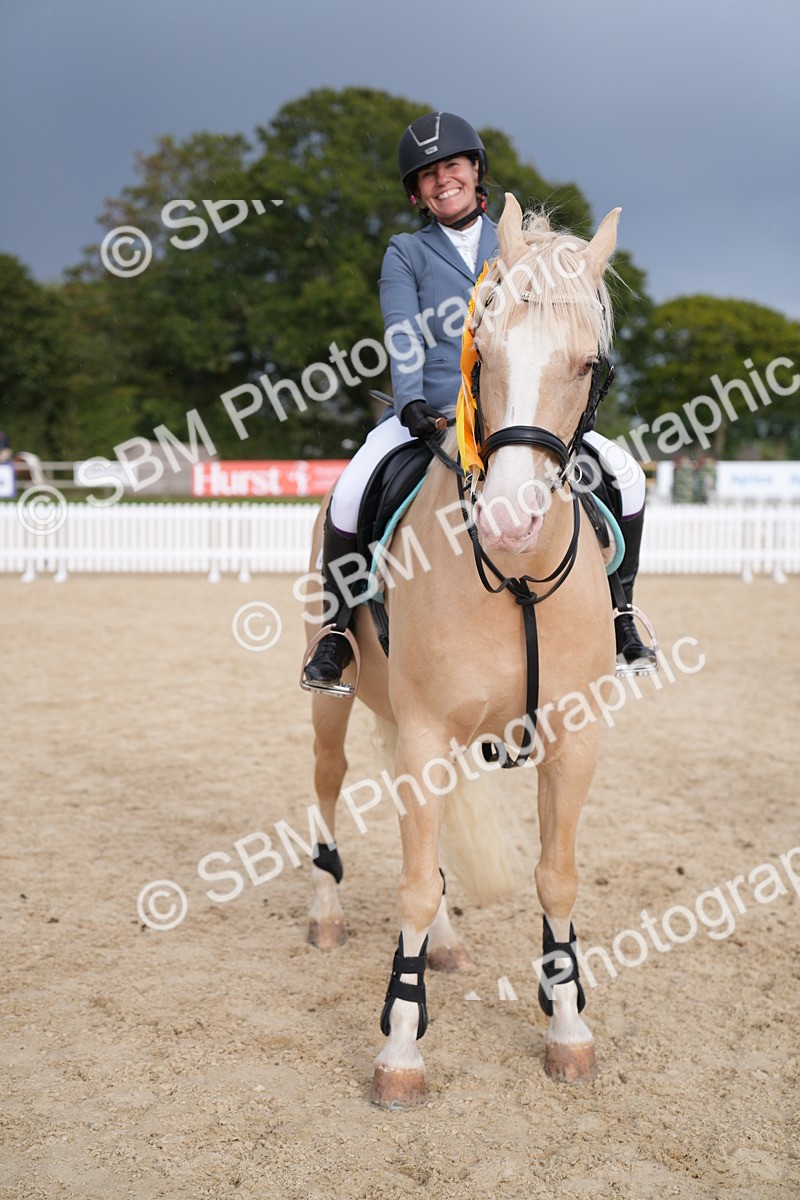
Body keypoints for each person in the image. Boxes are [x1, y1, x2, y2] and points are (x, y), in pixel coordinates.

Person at [302, 111, 655, 690]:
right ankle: (337, 631)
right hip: (432, 412)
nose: (443, 179)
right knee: (351, 491)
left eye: (453, 166)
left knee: (628, 478)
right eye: (428, 174)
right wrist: (409, 399)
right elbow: (402, 331)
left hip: (523, 412)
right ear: (416, 192)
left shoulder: (521, 246)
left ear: (476, 171)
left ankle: (621, 614)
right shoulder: (406, 252)